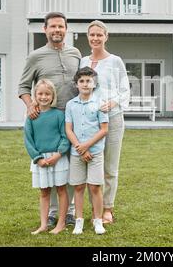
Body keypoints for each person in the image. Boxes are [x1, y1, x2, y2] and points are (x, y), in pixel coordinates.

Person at [18, 12, 81, 227]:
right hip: (49, 119)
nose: (57, 30)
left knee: (70, 164)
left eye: (61, 26)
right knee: (50, 162)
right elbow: (24, 87)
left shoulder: (75, 53)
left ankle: (70, 211)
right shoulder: (35, 56)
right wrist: (30, 106)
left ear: (66, 29)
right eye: (52, 26)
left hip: (73, 120)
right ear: (45, 29)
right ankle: (53, 213)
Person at [80, 20, 130, 224]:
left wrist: (113, 102)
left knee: (110, 167)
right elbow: (80, 88)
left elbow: (125, 89)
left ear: (106, 37)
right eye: (92, 35)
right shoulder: (82, 61)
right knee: (91, 165)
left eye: (99, 35)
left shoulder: (115, 61)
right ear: (88, 37)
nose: (95, 38)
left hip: (113, 119)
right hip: (89, 121)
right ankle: (93, 209)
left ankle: (107, 209)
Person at [65, 67, 109, 235]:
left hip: (95, 152)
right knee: (78, 187)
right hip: (77, 153)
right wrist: (80, 148)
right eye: (81, 81)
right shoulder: (71, 105)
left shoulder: (100, 104)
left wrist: (87, 146)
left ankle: (98, 221)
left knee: (95, 187)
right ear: (76, 84)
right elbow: (69, 129)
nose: (85, 84)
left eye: (88, 81)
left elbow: (104, 129)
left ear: (94, 83)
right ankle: (79, 221)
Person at [24, 79, 70, 235]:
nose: (44, 97)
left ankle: (61, 223)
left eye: (47, 94)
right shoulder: (31, 116)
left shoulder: (58, 115)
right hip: (40, 160)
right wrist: (38, 158)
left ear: (52, 96)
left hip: (58, 157)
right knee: (44, 192)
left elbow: (65, 137)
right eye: (40, 94)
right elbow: (28, 140)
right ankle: (43, 224)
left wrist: (58, 154)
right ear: (35, 95)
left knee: (61, 190)